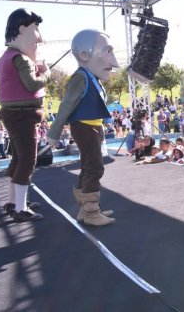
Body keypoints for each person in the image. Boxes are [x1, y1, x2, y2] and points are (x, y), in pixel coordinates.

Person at [47, 29, 119, 226]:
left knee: (89, 165)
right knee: (95, 166)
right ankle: (91, 211)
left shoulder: (91, 76)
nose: (114, 63)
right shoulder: (81, 77)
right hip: (84, 127)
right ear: (85, 55)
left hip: (92, 127)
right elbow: (66, 105)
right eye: (107, 52)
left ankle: (85, 207)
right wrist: (54, 133)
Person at [0, 8, 50, 222]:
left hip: (14, 114)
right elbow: (32, 84)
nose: (40, 37)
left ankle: (14, 202)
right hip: (23, 116)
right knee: (28, 159)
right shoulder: (20, 58)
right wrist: (46, 73)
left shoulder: (6, 57)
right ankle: (19, 209)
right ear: (22, 29)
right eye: (36, 28)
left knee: (19, 158)